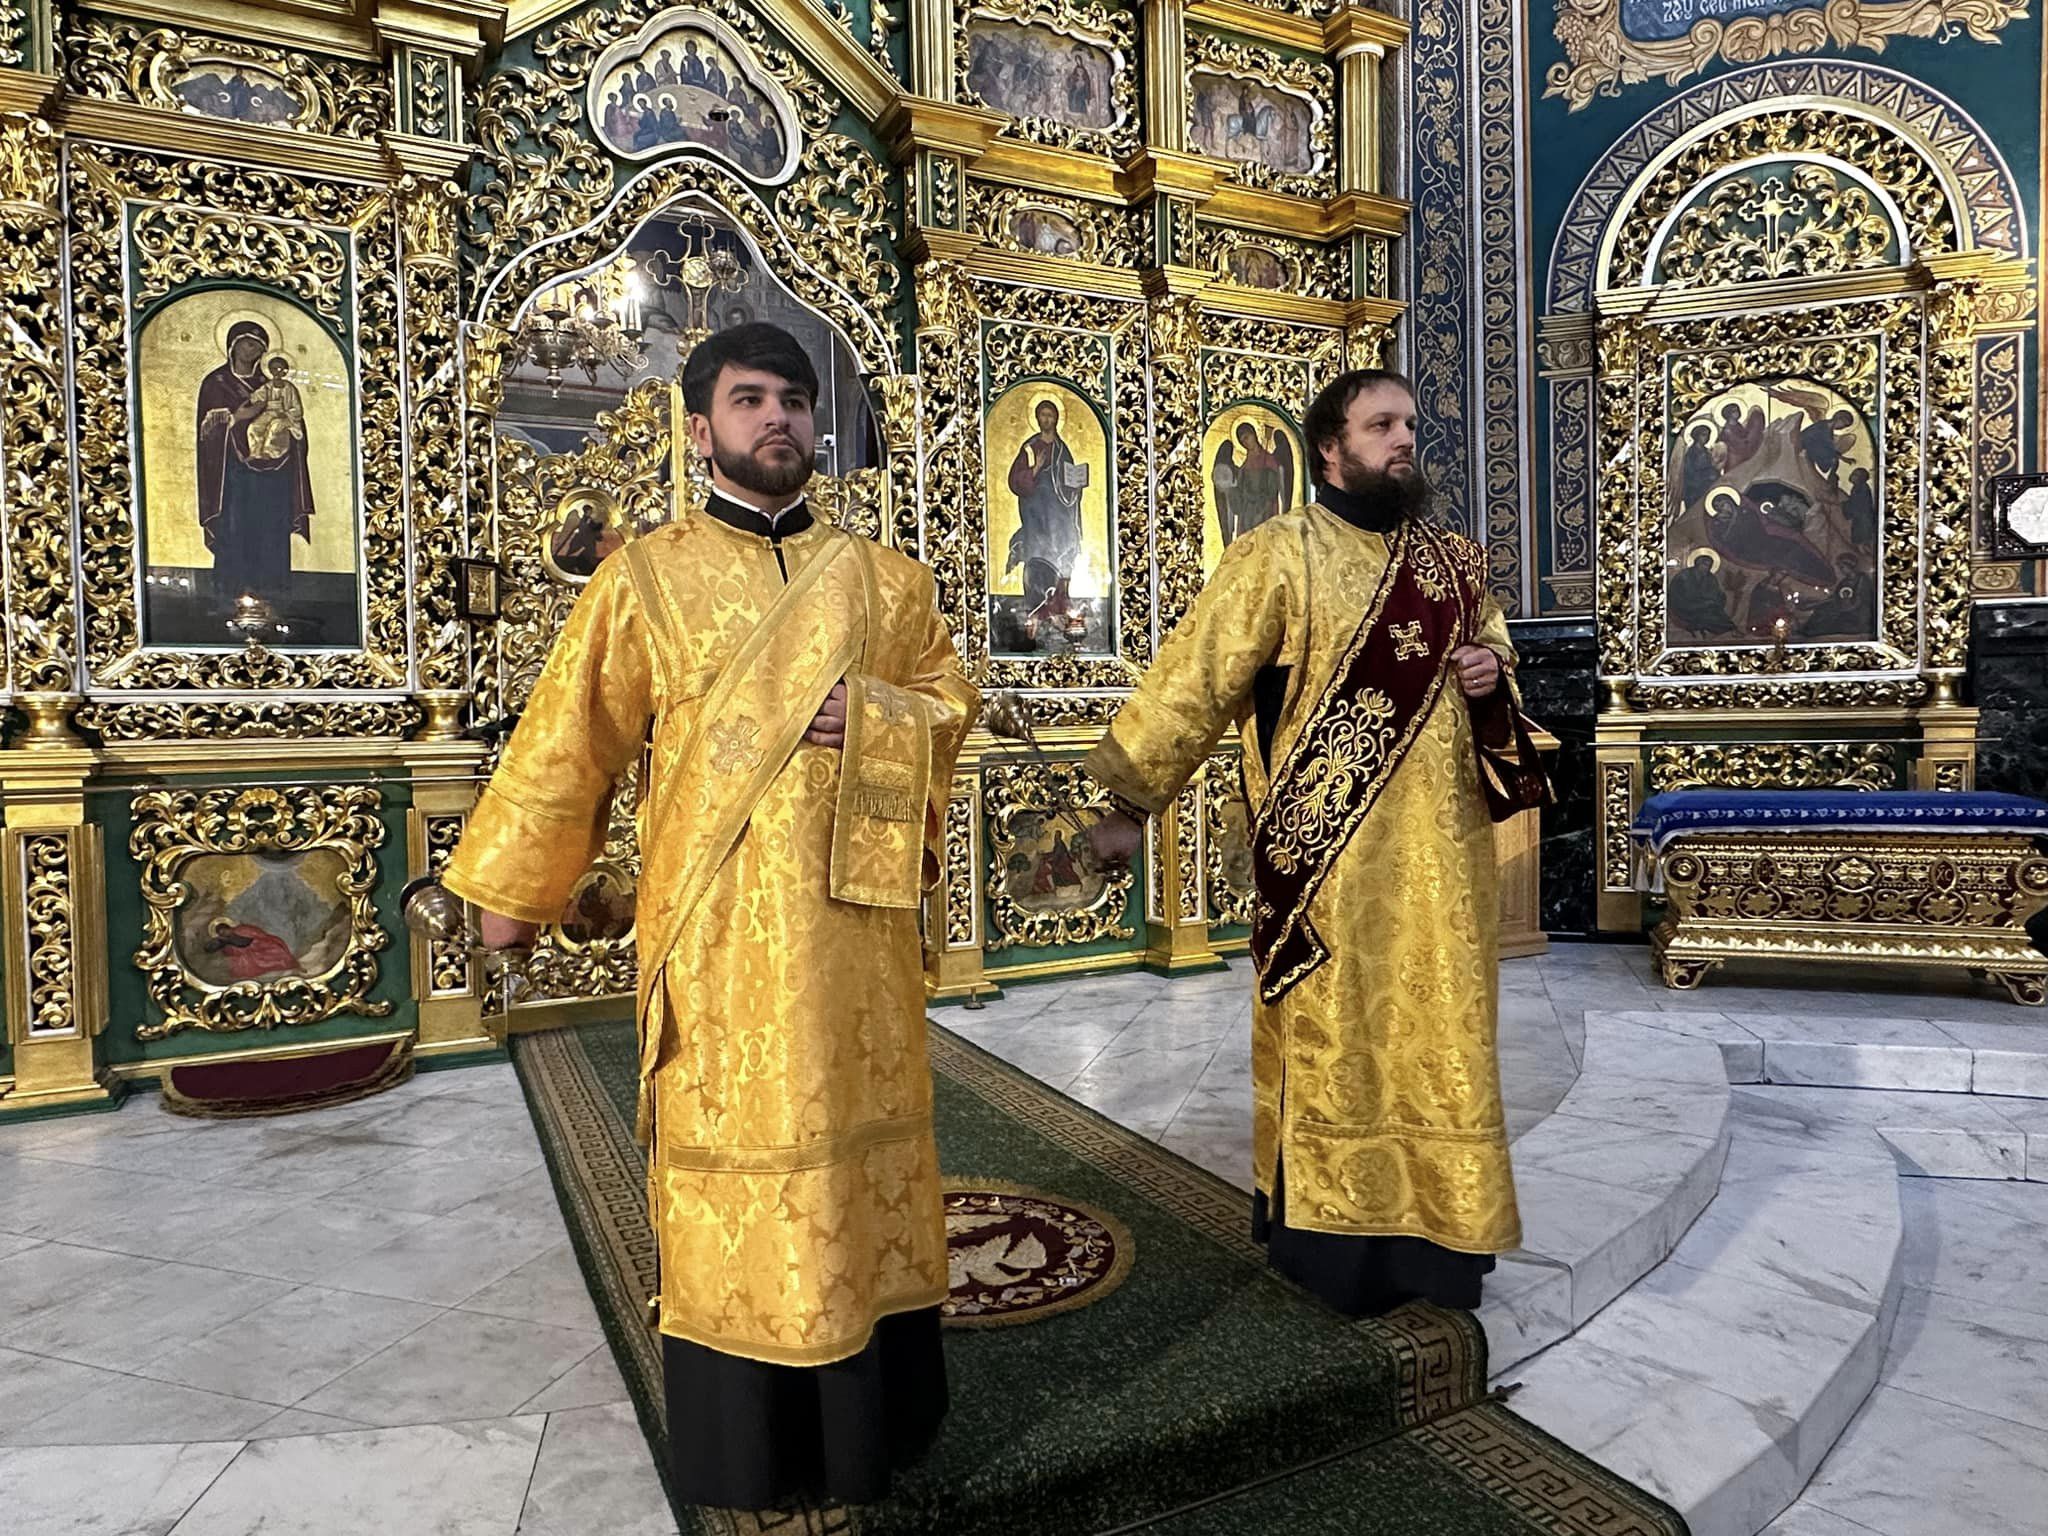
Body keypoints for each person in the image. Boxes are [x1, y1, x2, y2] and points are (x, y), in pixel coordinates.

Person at [440, 322, 978, 1510]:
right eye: (748, 399)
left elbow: (950, 700)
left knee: (860, 1155)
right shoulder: (643, 578)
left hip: (858, 941)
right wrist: (513, 892)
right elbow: (571, 737)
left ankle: (878, 1418)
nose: (776, 416)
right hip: (721, 938)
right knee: (736, 1162)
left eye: (792, 397)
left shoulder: (888, 581)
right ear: (700, 430)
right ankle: (755, 1443)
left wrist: (883, 714)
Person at [1082, 370, 1532, 1317]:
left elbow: (1498, 659)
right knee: (1336, 1042)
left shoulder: (1453, 564)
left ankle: (1442, 1237)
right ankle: (1332, 1242)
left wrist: (1491, 670)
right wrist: (1129, 801)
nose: (1403, 439)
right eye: (1380, 425)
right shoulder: (1278, 553)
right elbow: (1196, 680)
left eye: (1409, 424)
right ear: (1331, 448)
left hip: (1445, 870)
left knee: (1443, 1040)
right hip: (1331, 866)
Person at [196, 319, 315, 614]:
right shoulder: (216, 383)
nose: (252, 351)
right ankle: (231, 591)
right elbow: (207, 435)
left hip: (273, 474)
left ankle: (272, 591)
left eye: (258, 347)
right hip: (233, 475)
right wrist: (227, 421)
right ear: (233, 346)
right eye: (247, 344)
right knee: (235, 526)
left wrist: (289, 432)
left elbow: (296, 422)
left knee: (271, 527)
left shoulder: (272, 385)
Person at [1005, 399, 1086, 603]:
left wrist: (1076, 485)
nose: (1047, 419)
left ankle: (1060, 597)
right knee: (1037, 551)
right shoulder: (1030, 448)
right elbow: (1015, 480)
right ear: (1037, 418)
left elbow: (1068, 480)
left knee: (1064, 544)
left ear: (1056, 419)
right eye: (1043, 415)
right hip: (1037, 509)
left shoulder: (1062, 449)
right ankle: (1035, 599)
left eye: (1050, 416)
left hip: (1059, 510)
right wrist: (1035, 469)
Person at [243, 356, 305, 464]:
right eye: (274, 369)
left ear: (285, 372)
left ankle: (270, 452)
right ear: (270, 371)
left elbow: (297, 409)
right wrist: (251, 396)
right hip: (269, 413)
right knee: (254, 427)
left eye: (280, 369)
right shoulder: (268, 387)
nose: (277, 372)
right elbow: (255, 397)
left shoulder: (290, 388)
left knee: (275, 426)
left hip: (286, 416)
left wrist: (286, 414)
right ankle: (255, 452)